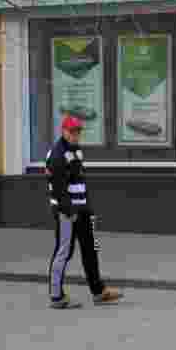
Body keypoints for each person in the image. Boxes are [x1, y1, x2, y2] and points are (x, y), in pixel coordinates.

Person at [46, 115, 123, 309]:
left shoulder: (77, 150)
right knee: (64, 252)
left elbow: (79, 180)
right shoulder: (57, 154)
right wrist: (69, 211)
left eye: (78, 131)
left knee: (91, 248)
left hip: (83, 210)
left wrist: (87, 206)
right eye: (72, 131)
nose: (75, 135)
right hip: (67, 212)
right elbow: (58, 189)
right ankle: (56, 296)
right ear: (63, 131)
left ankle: (98, 292)